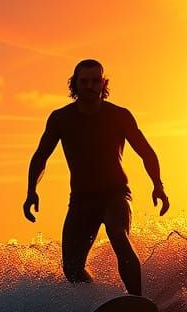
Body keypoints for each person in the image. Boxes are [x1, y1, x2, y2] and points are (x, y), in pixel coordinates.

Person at [23, 59, 169, 295]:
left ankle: (136, 301)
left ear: (103, 83)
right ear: (75, 84)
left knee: (118, 235)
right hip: (81, 200)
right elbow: (41, 156)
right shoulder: (60, 118)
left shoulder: (119, 115)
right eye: (84, 81)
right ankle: (98, 301)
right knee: (71, 268)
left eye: (95, 81)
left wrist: (158, 186)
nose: (90, 86)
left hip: (115, 195)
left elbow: (146, 151)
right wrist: (31, 191)